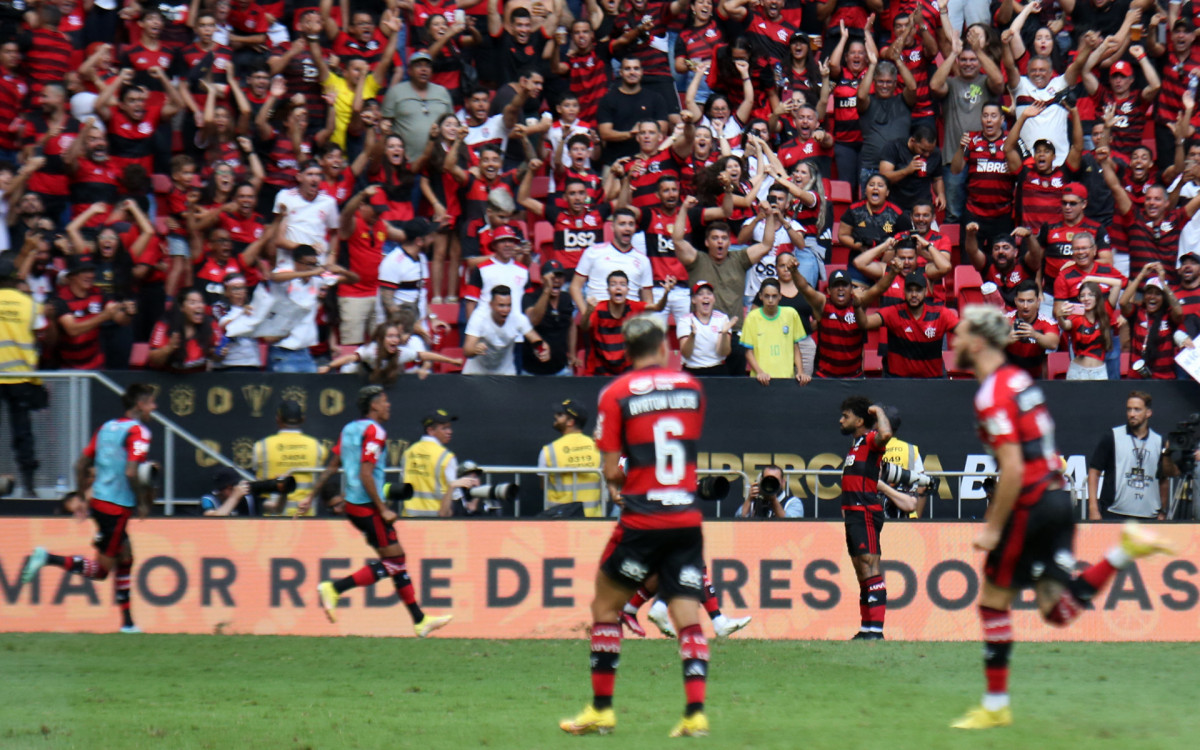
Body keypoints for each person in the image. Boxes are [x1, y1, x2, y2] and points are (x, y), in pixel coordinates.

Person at [948, 304, 1172, 729]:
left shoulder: (992, 391)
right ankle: (1124, 551)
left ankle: (995, 706)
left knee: (994, 601)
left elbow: (1012, 467)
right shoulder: (1020, 380)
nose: (954, 342)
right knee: (1058, 610)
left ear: (977, 342)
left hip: (1029, 503)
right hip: (1058, 500)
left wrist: (993, 527)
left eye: (959, 335)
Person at [560, 316, 712, 738]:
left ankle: (602, 709)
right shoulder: (692, 389)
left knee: (605, 609)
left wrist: (619, 486)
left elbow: (610, 469)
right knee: (686, 616)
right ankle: (695, 713)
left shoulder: (616, 393)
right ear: (664, 348)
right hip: (685, 517)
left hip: (643, 518)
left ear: (627, 354)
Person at [311, 387, 454, 637]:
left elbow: (333, 465)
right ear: (374, 406)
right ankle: (334, 588)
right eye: (385, 402)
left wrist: (310, 496)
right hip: (367, 506)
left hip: (355, 506)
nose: (389, 406)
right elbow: (367, 473)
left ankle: (420, 620)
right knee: (396, 561)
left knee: (396, 562)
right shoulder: (375, 432)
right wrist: (383, 508)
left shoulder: (349, 428)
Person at [21, 383, 158, 634]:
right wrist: (142, 502)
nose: (154, 407)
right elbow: (131, 471)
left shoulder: (106, 427)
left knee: (126, 557)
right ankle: (46, 557)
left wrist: (83, 497)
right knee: (102, 570)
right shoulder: (139, 432)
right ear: (139, 404)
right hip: (116, 506)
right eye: (150, 402)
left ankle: (127, 623)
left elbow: (80, 464)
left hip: (100, 502)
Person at [837, 395, 918, 640]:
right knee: (861, 571)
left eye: (846, 416)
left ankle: (877, 631)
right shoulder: (857, 443)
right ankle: (866, 629)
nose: (841, 420)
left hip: (865, 512)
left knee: (871, 568)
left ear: (860, 420)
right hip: (853, 514)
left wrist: (878, 411)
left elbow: (885, 435)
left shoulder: (872, 439)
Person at [854, 269, 960, 378]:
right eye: (910, 290)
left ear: (925, 292)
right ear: (904, 292)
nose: (914, 294)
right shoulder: (893, 312)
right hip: (898, 381)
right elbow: (865, 323)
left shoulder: (940, 313)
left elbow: (964, 331)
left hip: (932, 381)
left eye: (918, 290)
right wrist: (857, 306)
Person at [1087, 391, 1169, 522]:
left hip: (1149, 516)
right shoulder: (1112, 436)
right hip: (1114, 512)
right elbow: (1094, 472)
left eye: (1137, 410)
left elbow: (1163, 480)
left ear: (1148, 413)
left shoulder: (1159, 442)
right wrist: (1093, 508)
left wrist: (1163, 511)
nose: (1132, 414)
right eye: (1129, 409)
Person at [0, 254, 42, 496]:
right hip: (21, 377)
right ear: (15, 278)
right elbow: (43, 334)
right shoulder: (29, 303)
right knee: (23, 433)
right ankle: (29, 485)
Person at [252, 400, 326, 517]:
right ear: (303, 419)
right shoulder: (317, 447)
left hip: (273, 518)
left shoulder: (262, 446)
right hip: (306, 517)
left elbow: (257, 477)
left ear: (278, 419)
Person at [400, 408, 480, 518]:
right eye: (444, 428)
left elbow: (403, 484)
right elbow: (454, 495)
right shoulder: (446, 456)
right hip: (436, 520)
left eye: (449, 427)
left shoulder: (408, 453)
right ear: (430, 430)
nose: (450, 431)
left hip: (409, 518)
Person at [463, 285, 551, 375]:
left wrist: (542, 348)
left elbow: (535, 339)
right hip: (476, 372)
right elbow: (467, 351)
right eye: (501, 306)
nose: (506, 310)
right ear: (491, 305)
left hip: (505, 373)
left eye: (509, 305)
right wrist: (475, 350)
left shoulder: (517, 318)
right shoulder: (479, 317)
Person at [538, 399, 603, 516]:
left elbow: (544, 486)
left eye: (560, 415)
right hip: (593, 521)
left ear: (570, 422)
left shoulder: (549, 451)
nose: (555, 417)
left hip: (560, 520)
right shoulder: (597, 448)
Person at [741, 278, 810, 385]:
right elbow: (749, 352)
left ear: (780, 297)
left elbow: (795, 346)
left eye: (774, 296)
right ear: (760, 297)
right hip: (760, 380)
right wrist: (760, 373)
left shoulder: (791, 314)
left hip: (786, 378)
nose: (770, 300)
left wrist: (800, 372)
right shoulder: (752, 317)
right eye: (767, 296)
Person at [677, 280, 735, 375]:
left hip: (717, 369)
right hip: (693, 370)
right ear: (693, 300)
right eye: (700, 294)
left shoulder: (722, 318)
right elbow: (686, 353)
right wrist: (692, 335)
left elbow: (724, 352)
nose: (705, 296)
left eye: (709, 293)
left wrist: (724, 334)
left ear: (714, 299)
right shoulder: (685, 320)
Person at [737, 464, 804, 518]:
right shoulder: (753, 502)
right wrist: (749, 499)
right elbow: (737, 521)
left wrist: (773, 500)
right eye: (768, 480)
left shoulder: (793, 502)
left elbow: (792, 525)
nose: (771, 484)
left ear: (783, 482)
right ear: (761, 481)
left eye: (775, 480)